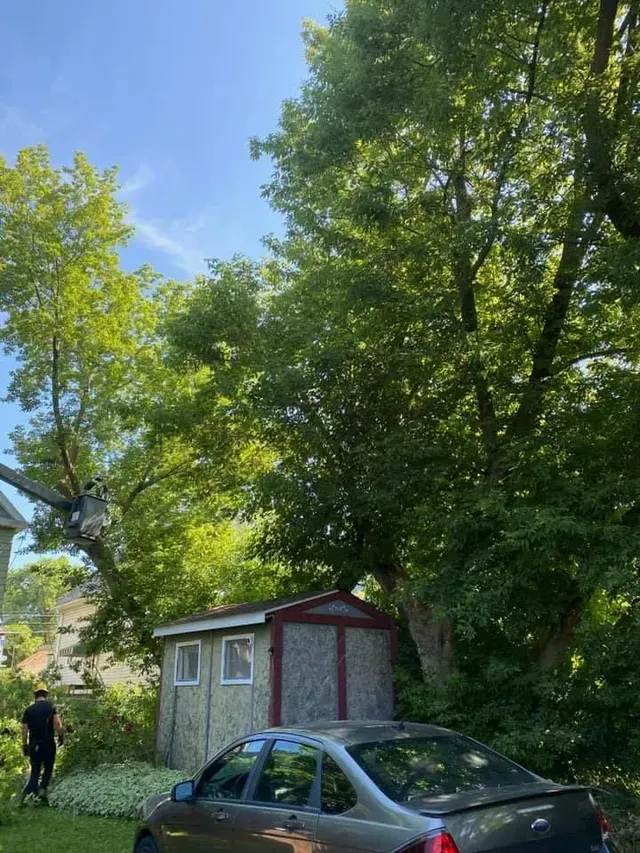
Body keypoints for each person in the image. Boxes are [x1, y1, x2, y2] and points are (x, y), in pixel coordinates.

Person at [21, 683, 64, 804]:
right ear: (46, 695)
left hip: (34, 744)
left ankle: (29, 795)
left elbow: (24, 730)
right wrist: (61, 736)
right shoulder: (51, 707)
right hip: (48, 743)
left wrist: (25, 744)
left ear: (36, 696)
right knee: (48, 768)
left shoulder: (29, 710)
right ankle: (41, 791)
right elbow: (58, 725)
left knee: (35, 770)